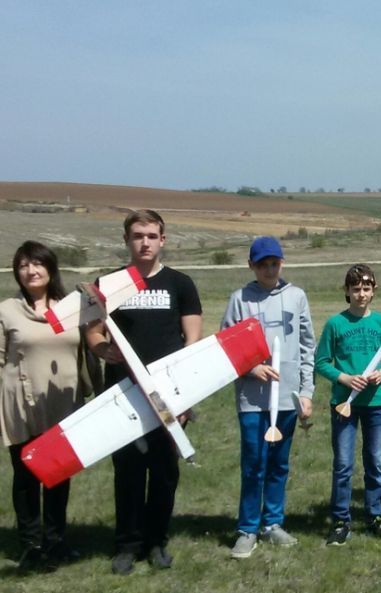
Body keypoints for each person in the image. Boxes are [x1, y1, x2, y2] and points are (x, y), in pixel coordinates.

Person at [85, 209, 203, 575]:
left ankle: (157, 541)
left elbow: (192, 341)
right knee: (129, 470)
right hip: (122, 397)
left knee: (165, 470)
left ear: (162, 240)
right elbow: (92, 332)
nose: (145, 242)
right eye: (138, 235)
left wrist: (184, 397)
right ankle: (127, 544)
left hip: (167, 396)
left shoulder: (180, 284)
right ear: (127, 240)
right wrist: (103, 349)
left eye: (152, 235)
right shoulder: (108, 285)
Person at [221, 236, 316, 559]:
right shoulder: (240, 299)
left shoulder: (296, 296)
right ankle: (247, 528)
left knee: (278, 463)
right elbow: (228, 347)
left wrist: (306, 392)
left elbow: (307, 347)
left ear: (282, 264)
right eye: (262, 264)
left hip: (287, 398)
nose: (269, 269)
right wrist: (253, 369)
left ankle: (272, 523)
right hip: (252, 399)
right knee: (254, 463)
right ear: (252, 266)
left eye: (274, 263)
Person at [1, 241, 88, 571]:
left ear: (50, 268)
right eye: (23, 265)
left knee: (58, 474)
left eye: (36, 263)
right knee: (25, 476)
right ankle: (30, 544)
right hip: (21, 402)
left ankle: (56, 540)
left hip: (63, 401)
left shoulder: (72, 307)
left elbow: (90, 344)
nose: (30, 270)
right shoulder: (7, 309)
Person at [315, 264, 381, 545]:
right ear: (346, 292)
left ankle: (375, 515)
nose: (360, 294)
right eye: (355, 289)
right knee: (343, 463)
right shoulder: (335, 324)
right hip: (344, 404)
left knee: (374, 461)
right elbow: (322, 362)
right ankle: (341, 520)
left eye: (366, 288)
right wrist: (345, 378)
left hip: (375, 403)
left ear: (374, 291)